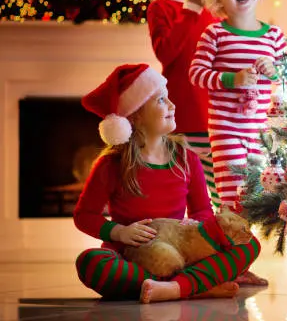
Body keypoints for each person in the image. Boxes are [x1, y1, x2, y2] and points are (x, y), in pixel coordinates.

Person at [73, 63, 262, 303]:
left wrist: (209, 239)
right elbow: (84, 215)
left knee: (249, 245)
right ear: (136, 115)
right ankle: (195, 285)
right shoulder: (111, 165)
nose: (172, 105)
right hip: (132, 256)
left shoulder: (186, 158)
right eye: (161, 100)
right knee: (91, 263)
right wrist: (119, 232)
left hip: (182, 252)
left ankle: (172, 289)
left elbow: (202, 211)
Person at [189, 0, 286, 211]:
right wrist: (233, 79)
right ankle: (230, 238)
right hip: (226, 128)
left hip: (260, 131)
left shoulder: (274, 35)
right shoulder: (215, 33)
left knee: (256, 188)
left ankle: (245, 240)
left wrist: (274, 72)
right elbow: (196, 74)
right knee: (231, 188)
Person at [144, 0, 220, 208]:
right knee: (185, 187)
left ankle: (218, 239)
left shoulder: (213, 12)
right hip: (183, 115)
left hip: (215, 114)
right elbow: (166, 52)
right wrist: (189, 12)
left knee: (219, 187)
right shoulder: (160, 8)